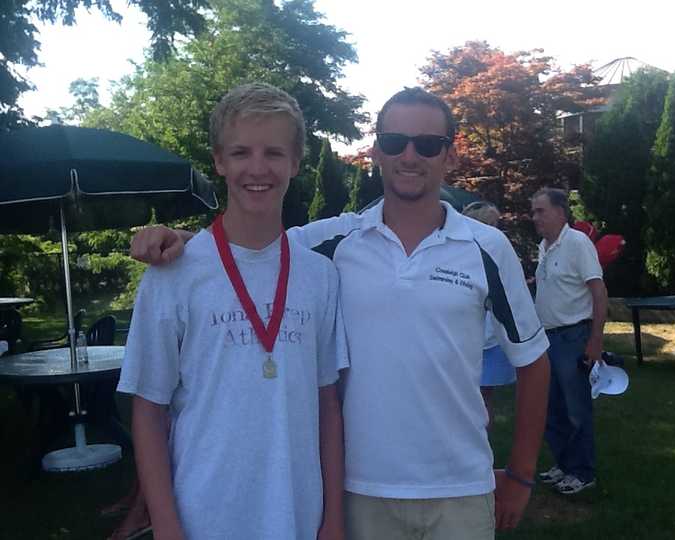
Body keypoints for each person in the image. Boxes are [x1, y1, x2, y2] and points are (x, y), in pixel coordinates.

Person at [130, 87, 551, 538]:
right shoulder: (336, 243)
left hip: (460, 486)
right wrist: (180, 239)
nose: (410, 155)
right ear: (376, 150)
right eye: (395, 142)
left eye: (427, 144)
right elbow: (248, 247)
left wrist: (522, 475)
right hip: (361, 489)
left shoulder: (487, 247)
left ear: (448, 154)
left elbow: (533, 361)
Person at [117, 82, 347, 540]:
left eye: (274, 153)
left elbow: (327, 405)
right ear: (219, 161)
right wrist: (165, 524)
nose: (257, 169)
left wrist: (334, 519)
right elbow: (148, 409)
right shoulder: (172, 274)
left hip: (299, 514)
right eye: (241, 152)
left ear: (296, 163)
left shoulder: (320, 275)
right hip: (205, 514)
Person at [531, 187, 608, 495]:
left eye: (540, 211)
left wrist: (596, 339)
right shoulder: (544, 246)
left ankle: (582, 471)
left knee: (576, 408)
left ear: (561, 212)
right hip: (546, 340)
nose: (534, 217)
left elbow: (598, 291)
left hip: (573, 337)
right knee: (552, 409)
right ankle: (563, 464)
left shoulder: (577, 243)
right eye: (533, 211)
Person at [462, 201, 517, 429]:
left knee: (484, 397)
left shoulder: (498, 251)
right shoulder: (457, 253)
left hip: (489, 339)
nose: (496, 229)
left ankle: (483, 447)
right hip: (463, 340)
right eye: (491, 224)